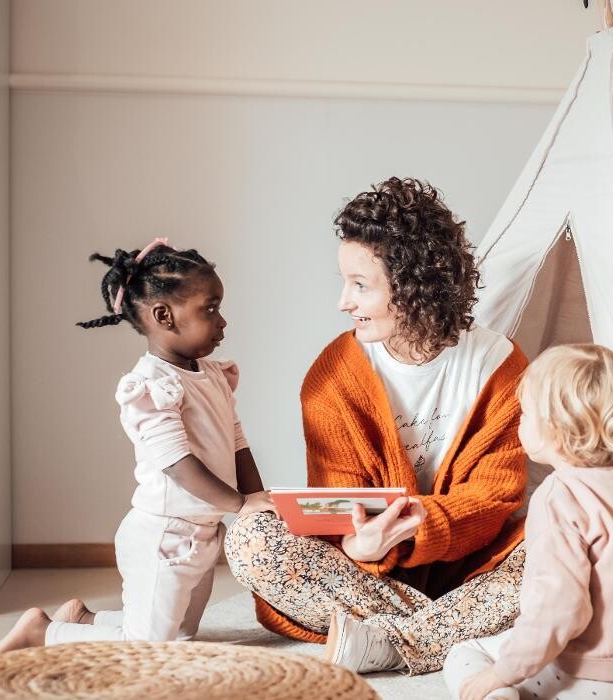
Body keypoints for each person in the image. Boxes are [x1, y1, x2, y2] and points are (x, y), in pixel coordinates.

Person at [226, 177, 528, 675]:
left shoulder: (501, 367)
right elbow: (339, 506)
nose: (343, 302)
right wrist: (358, 546)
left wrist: (412, 532)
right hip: (362, 575)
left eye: (360, 285)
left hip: (476, 569)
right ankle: (450, 633)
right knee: (251, 537)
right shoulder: (332, 378)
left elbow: (494, 500)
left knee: (569, 540)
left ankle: (392, 640)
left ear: (414, 285)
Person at [0, 239, 275, 655]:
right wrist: (238, 505)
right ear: (164, 316)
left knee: (180, 637)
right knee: (145, 647)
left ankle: (84, 620)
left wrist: (255, 498)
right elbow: (177, 464)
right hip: (164, 536)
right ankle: (42, 631)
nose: (222, 321)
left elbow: (236, 442)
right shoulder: (150, 388)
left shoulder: (212, 375)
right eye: (210, 309)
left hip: (203, 532)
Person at [445, 344, 613, 700]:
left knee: (466, 654)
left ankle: (496, 696)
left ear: (555, 430)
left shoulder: (559, 496)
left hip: (595, 682)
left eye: (525, 415)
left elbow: (558, 609)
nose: (519, 424)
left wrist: (501, 674)